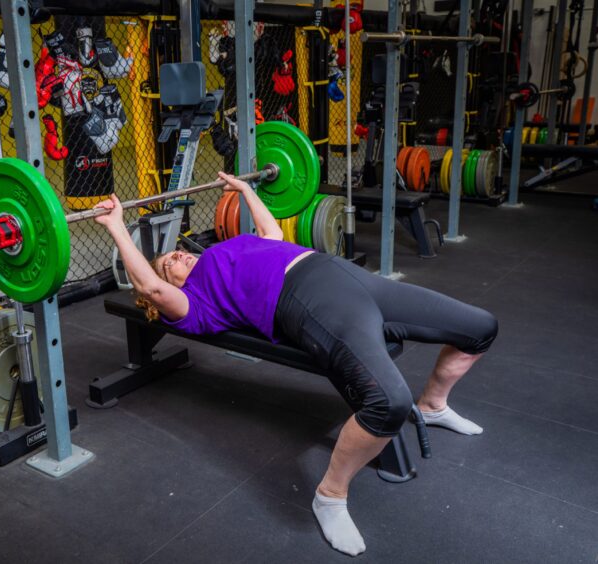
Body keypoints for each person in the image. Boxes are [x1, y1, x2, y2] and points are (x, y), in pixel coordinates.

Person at [94, 172, 498, 557]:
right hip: (307, 299)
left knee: (480, 327)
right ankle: (330, 496)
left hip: (339, 271)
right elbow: (147, 285)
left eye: (176, 253)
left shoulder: (223, 249)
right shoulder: (196, 304)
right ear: (169, 288)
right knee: (388, 402)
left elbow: (272, 234)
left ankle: (433, 404)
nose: (177, 256)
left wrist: (242, 191)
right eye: (169, 264)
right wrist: (116, 225)